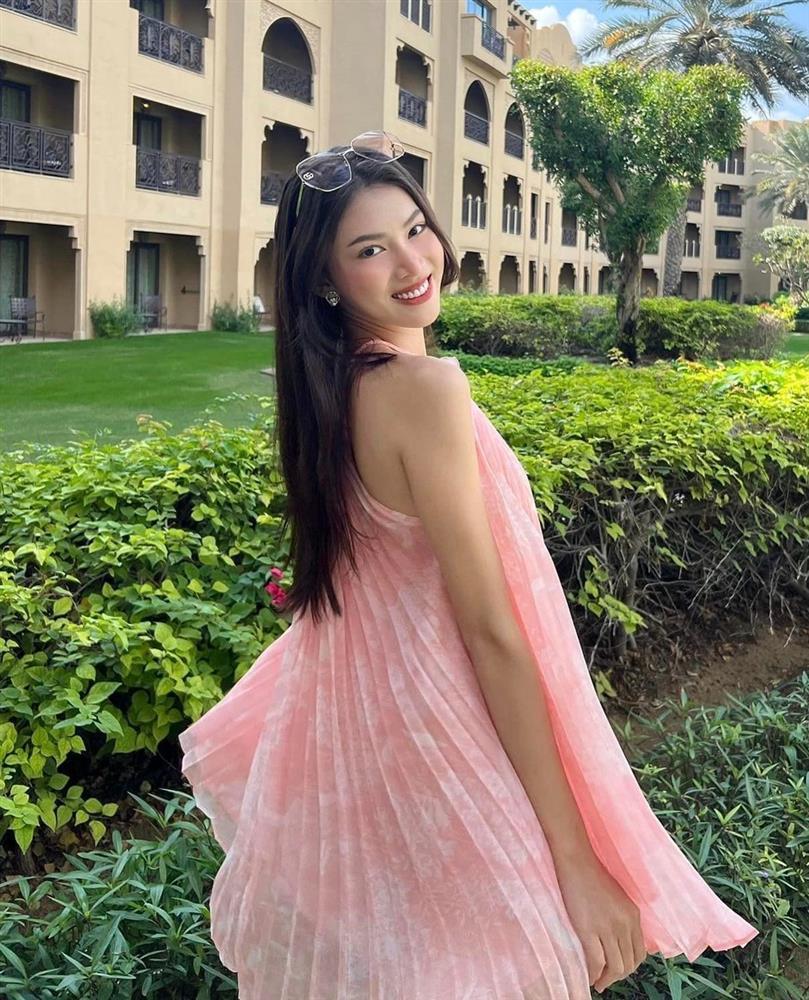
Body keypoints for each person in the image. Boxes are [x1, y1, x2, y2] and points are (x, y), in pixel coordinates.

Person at [177, 131, 758, 999]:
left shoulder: (334, 391)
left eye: (415, 229)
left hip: (367, 722)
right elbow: (490, 630)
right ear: (324, 280)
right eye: (369, 249)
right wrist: (574, 856)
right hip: (442, 727)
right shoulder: (423, 390)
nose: (414, 262)